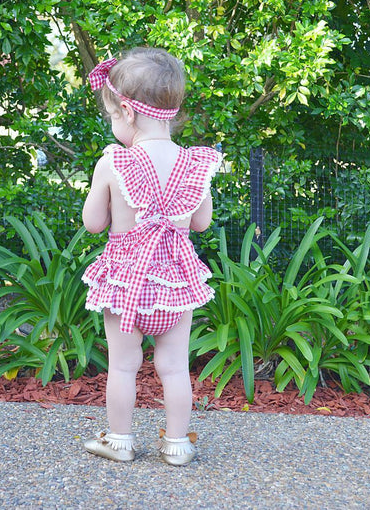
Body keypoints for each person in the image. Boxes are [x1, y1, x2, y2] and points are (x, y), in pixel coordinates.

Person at [81, 47, 221, 466]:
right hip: (177, 280)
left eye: (111, 116)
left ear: (126, 111)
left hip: (126, 281)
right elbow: (201, 224)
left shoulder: (114, 163)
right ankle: (177, 444)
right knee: (175, 368)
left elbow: (92, 223)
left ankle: (120, 440)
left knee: (123, 367)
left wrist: (98, 190)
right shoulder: (196, 163)